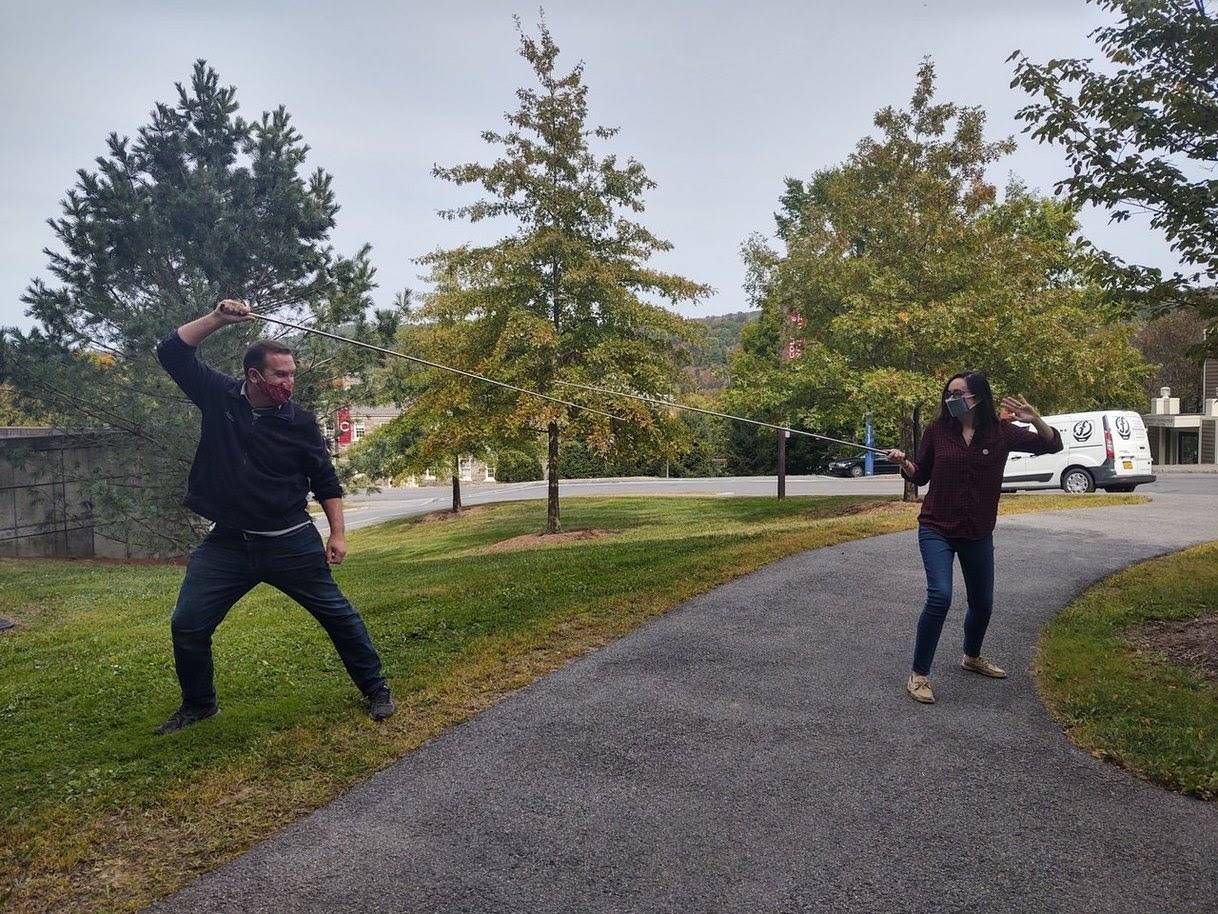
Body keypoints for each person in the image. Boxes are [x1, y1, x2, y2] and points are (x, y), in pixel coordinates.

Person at [153, 299, 395, 733]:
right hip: (228, 543)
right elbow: (171, 352)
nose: (289, 382)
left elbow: (325, 481)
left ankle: (376, 689)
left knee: (339, 616)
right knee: (187, 624)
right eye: (281, 374)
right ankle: (199, 704)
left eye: (292, 374)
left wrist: (338, 534)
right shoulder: (219, 395)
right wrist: (218, 319)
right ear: (254, 375)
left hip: (290, 541)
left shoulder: (299, 422)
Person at [886, 371, 1063, 705]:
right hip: (937, 527)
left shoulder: (1001, 433)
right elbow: (920, 475)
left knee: (983, 602)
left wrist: (1035, 418)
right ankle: (919, 675)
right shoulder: (938, 430)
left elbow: (1053, 444)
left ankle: (971, 656)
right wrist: (903, 462)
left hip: (978, 531)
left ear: (978, 397)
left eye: (959, 394)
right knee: (940, 596)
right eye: (948, 394)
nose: (951, 399)